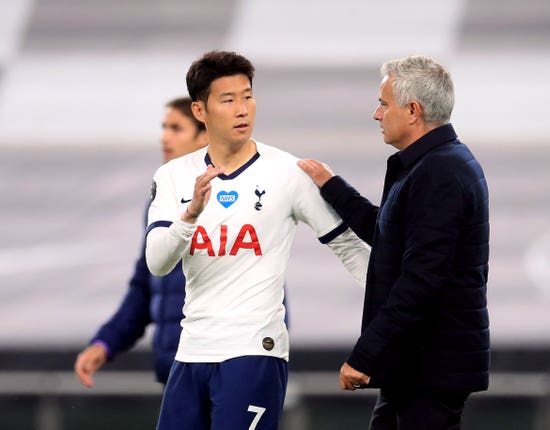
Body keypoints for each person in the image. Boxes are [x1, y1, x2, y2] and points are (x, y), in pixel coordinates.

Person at [145, 50, 370, 430]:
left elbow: (348, 246)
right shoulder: (172, 176)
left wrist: (399, 316)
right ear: (200, 111)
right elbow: (157, 262)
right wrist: (190, 215)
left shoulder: (287, 172)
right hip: (191, 350)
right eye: (228, 99)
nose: (242, 109)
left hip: (254, 352)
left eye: (247, 96)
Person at [298, 55, 490, 430]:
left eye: (384, 104)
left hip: (432, 366)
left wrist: (366, 355)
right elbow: (391, 238)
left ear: (413, 110)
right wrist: (332, 186)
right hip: (418, 363)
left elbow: (420, 280)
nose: (376, 114)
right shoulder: (435, 163)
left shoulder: (440, 172)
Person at [74, 97, 208, 387]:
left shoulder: (238, 197)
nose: (164, 137)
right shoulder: (160, 201)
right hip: (176, 373)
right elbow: (146, 287)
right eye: (164, 128)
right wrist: (105, 343)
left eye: (176, 128)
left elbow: (262, 290)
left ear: (205, 136)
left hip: (223, 373)